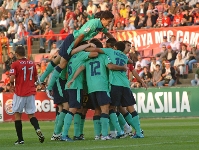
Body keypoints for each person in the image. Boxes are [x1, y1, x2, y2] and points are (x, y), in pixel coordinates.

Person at [36, 11, 114, 98]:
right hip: (74, 40)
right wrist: (73, 47)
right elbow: (80, 36)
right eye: (109, 21)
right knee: (62, 63)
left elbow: (107, 33)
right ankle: (49, 88)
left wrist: (116, 43)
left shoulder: (101, 26)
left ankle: (41, 79)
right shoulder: (94, 24)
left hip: (77, 41)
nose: (110, 23)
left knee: (57, 60)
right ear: (103, 19)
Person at [9, 46, 45, 145]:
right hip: (30, 92)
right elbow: (35, 78)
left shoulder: (15, 64)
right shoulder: (32, 63)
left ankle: (20, 139)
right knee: (31, 114)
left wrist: (12, 85)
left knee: (17, 115)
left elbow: (12, 78)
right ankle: (37, 129)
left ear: (16, 54)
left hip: (20, 92)